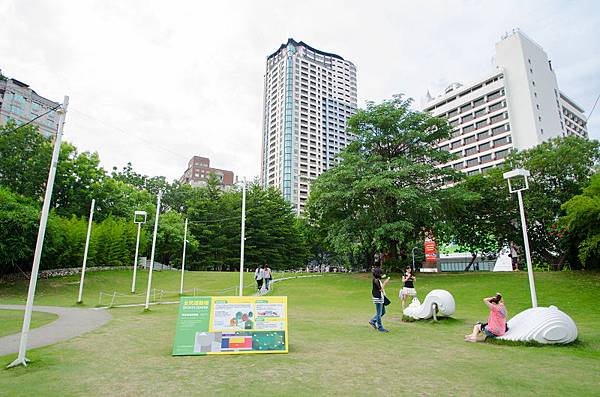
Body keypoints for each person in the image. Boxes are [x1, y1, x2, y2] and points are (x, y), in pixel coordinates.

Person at [369, 267, 391, 333]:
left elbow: (381, 278)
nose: (381, 274)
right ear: (378, 274)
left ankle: (373, 320)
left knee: (383, 312)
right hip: (378, 298)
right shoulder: (376, 280)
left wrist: (385, 278)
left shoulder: (376, 279)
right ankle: (380, 327)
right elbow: (380, 289)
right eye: (380, 273)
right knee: (379, 313)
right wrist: (385, 283)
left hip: (380, 297)